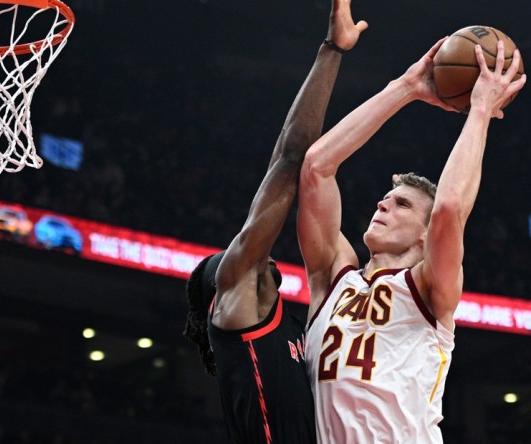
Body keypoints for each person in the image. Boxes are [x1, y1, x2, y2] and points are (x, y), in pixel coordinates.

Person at [297, 39, 526, 442]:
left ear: (426, 234)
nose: (382, 206)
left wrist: (480, 112)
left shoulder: (428, 287)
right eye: (384, 200)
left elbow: (449, 208)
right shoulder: (333, 276)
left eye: (401, 204)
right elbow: (317, 167)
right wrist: (404, 88)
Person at [182, 1, 367, 443]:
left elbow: (283, 161)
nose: (244, 249)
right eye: (232, 256)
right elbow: (290, 158)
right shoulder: (236, 307)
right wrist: (332, 51)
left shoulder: (284, 324)